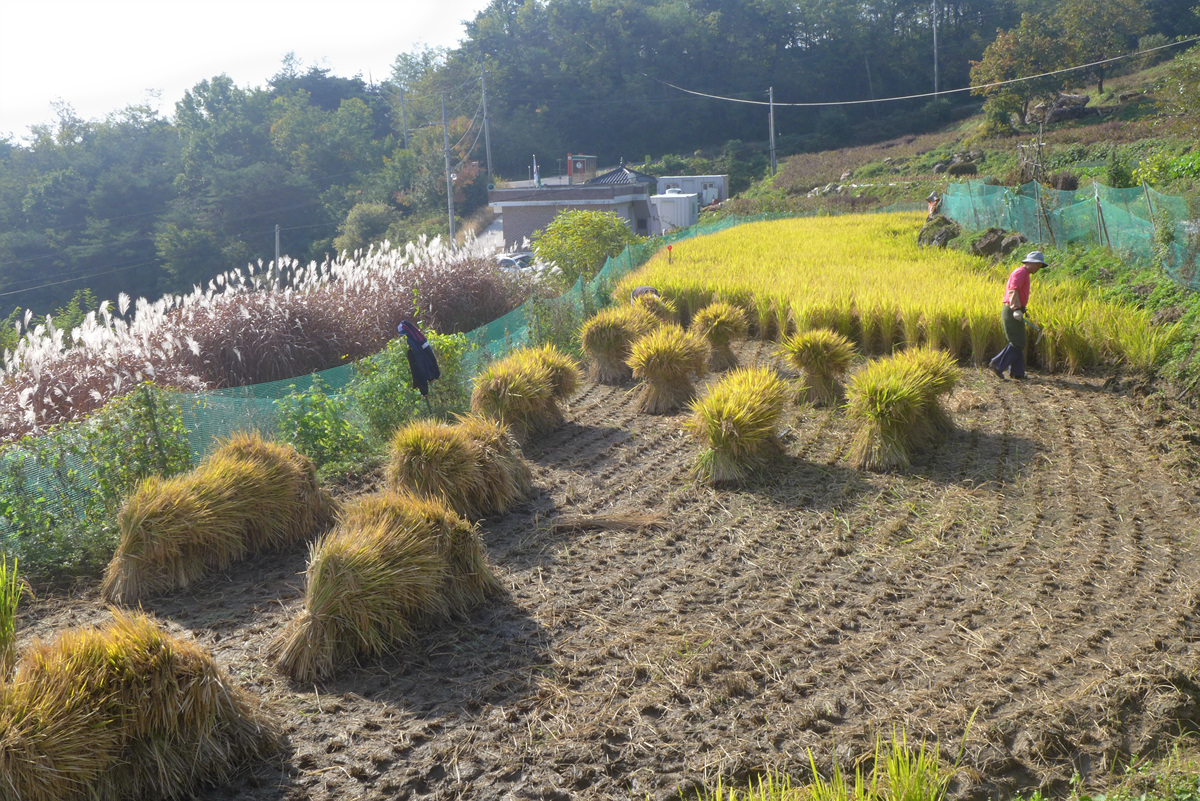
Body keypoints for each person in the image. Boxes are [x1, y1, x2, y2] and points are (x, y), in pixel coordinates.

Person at [990, 251, 1048, 380]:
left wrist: (1021, 309)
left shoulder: (1025, 273)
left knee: (1019, 342)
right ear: (1030, 263)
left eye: (1040, 266)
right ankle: (997, 364)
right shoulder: (1020, 272)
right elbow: (1013, 290)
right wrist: (1016, 308)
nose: (1038, 268)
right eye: (1037, 265)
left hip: (1016, 310)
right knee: (1018, 342)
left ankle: (1017, 373)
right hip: (1011, 310)